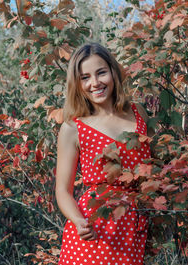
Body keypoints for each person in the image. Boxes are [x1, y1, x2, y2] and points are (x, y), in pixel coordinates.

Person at [56, 43, 153, 265]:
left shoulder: (139, 113)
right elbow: (62, 190)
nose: (95, 83)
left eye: (101, 73)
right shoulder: (73, 128)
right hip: (95, 230)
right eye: (85, 77)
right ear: (77, 84)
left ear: (113, 72)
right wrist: (79, 221)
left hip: (133, 226)